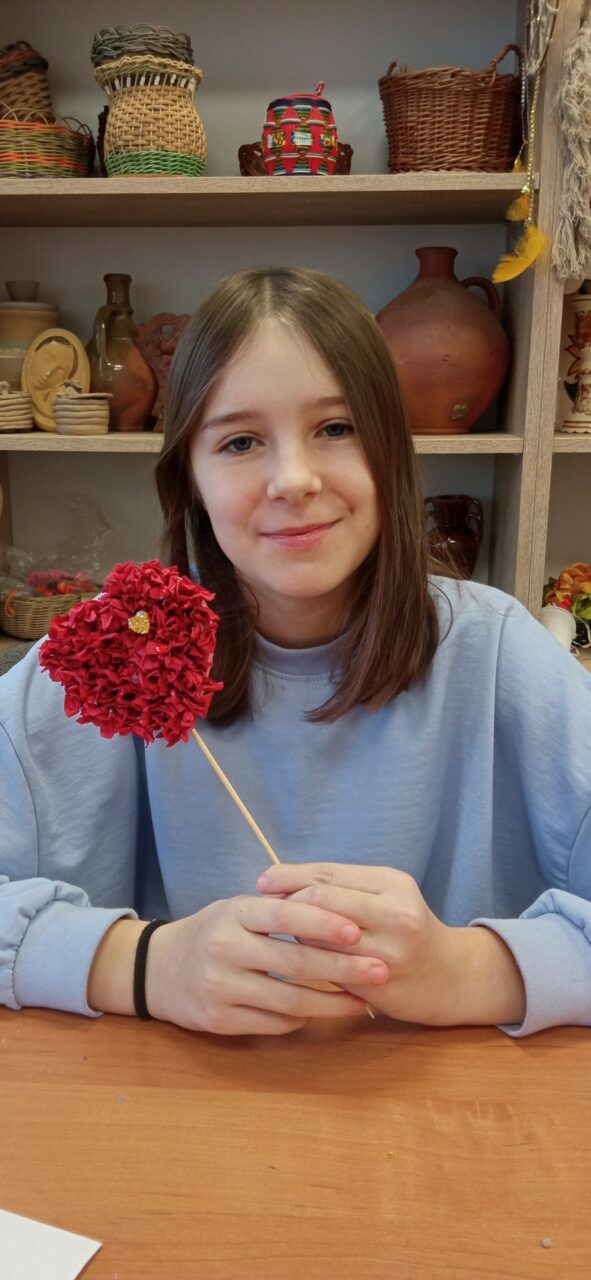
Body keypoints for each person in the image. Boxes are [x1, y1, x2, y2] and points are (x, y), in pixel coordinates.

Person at [1, 266, 591, 1039]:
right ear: (190, 477)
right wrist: (144, 964)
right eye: (240, 441)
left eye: (335, 428)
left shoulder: (498, 655)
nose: (293, 479)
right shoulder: (113, 655)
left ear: (390, 450)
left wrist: (466, 970)